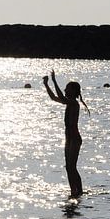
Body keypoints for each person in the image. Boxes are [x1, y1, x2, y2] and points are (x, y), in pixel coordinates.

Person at [43, 70, 89, 198]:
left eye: (67, 88)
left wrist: (54, 81)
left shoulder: (73, 103)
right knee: (68, 167)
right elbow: (54, 98)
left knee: (72, 167)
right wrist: (46, 84)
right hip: (68, 139)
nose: (65, 90)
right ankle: (73, 192)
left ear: (73, 91)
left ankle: (79, 191)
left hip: (75, 139)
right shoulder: (68, 103)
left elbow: (62, 97)